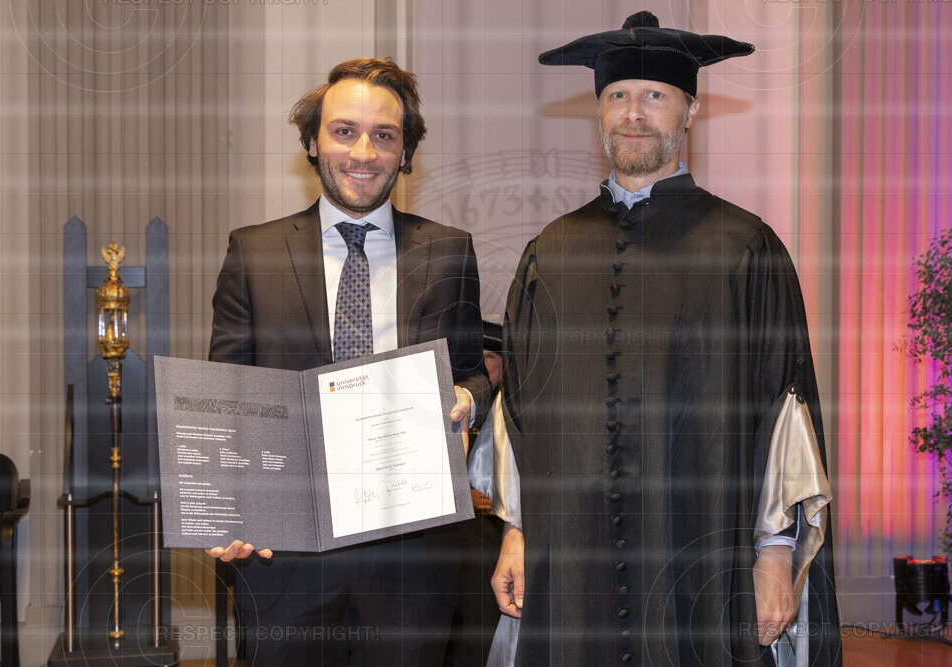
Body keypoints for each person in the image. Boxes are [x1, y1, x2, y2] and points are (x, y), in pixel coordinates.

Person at [490, 12, 841, 667]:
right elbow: (521, 411)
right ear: (599, 111)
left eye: (654, 95)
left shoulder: (745, 248)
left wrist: (774, 552)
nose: (633, 112)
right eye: (618, 95)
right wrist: (517, 531)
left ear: (690, 110)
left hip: (701, 552)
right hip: (574, 560)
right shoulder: (552, 252)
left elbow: (781, 408)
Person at [205, 57, 490, 666]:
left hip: (413, 550)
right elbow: (227, 396)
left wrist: (467, 399)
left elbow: (471, 370)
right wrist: (223, 508)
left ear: (405, 152)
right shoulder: (253, 252)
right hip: (285, 550)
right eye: (344, 131)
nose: (363, 152)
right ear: (313, 142)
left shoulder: (448, 252)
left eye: (384, 135)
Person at [446, 321, 521, 667]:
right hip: (461, 535)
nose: (483, 363)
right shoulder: (455, 405)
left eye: (490, 356)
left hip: (498, 536)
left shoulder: (512, 412)